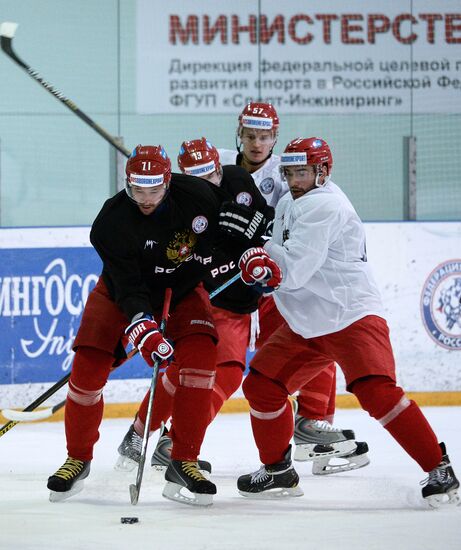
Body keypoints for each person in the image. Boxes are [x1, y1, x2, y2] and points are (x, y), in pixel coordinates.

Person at [233, 137, 459, 507]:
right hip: (308, 321)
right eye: (289, 172)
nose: (294, 179)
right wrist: (262, 253)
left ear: (323, 171)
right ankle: (277, 471)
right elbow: (279, 253)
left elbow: (294, 271)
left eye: (302, 172)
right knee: (262, 385)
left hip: (349, 315)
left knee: (377, 392)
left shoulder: (326, 204)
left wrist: (260, 258)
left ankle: (440, 469)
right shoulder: (292, 200)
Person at [46, 144, 259, 507]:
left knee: (201, 360)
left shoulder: (198, 195)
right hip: (119, 293)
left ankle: (184, 459)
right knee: (87, 369)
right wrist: (142, 323)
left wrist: (255, 249)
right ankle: (77, 457)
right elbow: (127, 286)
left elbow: (240, 225)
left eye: (154, 190)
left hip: (183, 290)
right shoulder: (110, 222)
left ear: (168, 182)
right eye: (137, 190)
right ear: (127, 184)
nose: (145, 199)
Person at [218, 103, 369, 473]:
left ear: (275, 137)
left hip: (276, 273)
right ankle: (168, 435)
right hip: (232, 275)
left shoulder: (287, 168)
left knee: (311, 337)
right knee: (220, 359)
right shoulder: (221, 165)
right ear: (239, 134)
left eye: (265, 136)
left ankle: (311, 426)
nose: (257, 143)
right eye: (251, 135)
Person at [116, 137, 274, 471]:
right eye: (196, 179)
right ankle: (146, 433)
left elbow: (268, 222)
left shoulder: (238, 180)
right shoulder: (177, 208)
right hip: (202, 298)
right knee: (191, 370)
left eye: (211, 176)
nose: (208, 186)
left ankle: (161, 436)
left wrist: (252, 229)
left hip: (238, 305)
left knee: (224, 375)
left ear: (219, 168)